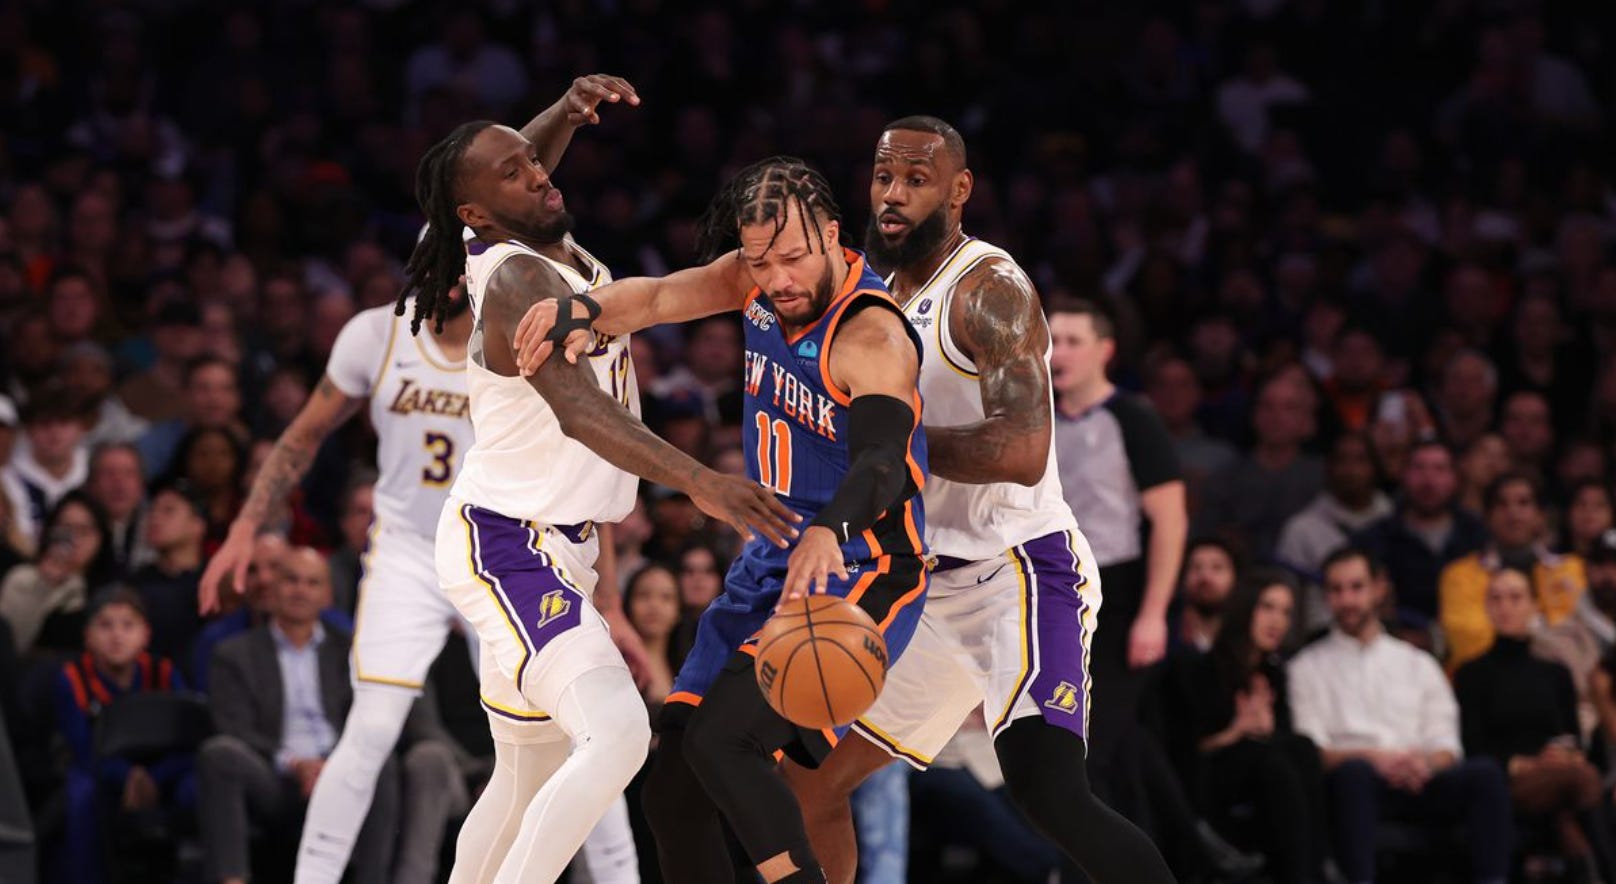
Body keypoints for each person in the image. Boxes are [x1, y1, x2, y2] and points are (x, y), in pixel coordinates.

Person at [196, 75, 665, 884]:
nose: (451, 272)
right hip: (425, 550)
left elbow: (509, 173)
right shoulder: (382, 334)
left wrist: (611, 596)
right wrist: (244, 528)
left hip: (525, 534)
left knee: (548, 747)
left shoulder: (519, 304)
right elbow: (302, 439)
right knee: (381, 726)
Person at [674, 117, 1168, 884]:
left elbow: (1024, 449)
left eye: (915, 179)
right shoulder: (860, 286)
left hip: (1017, 571)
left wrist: (887, 442)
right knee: (809, 781)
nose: (894, 195)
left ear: (959, 190)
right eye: (883, 178)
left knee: (1048, 790)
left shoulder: (989, 289)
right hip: (922, 582)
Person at [515, 151, 937, 884]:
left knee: (724, 743)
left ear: (832, 235)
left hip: (861, 565)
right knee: (672, 791)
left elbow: (881, 461)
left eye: (793, 259)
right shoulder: (754, 281)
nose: (777, 279)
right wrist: (579, 310)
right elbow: (654, 300)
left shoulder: (870, 332)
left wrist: (827, 529)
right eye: (760, 261)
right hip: (772, 559)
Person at [416, 119, 796, 883]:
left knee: (525, 774)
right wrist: (701, 481)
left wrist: (563, 111)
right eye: (515, 173)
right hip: (510, 545)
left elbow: (502, 170)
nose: (539, 173)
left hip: (558, 541)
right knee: (619, 735)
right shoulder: (517, 281)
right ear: (474, 214)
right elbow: (581, 412)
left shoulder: (543, 244)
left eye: (535, 159)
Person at [1287, 547, 1513, 884]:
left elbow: (1446, 742)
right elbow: (1312, 751)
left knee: (1485, 774)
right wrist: (1376, 759)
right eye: (1336, 590)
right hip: (1356, 782)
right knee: (1354, 775)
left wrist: (1425, 764)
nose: (1347, 600)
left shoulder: (1417, 663)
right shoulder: (1305, 667)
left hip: (1420, 778)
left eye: (1356, 587)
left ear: (1378, 589)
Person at [197, 548, 399, 884]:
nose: (300, 590)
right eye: (291, 580)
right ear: (273, 588)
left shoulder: (351, 653)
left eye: (312, 583)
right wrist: (294, 764)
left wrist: (329, 764)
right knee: (219, 754)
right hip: (273, 777)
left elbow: (366, 718)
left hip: (338, 772)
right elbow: (235, 728)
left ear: (327, 595)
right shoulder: (235, 654)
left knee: (382, 761)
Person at [1047, 298, 1186, 783]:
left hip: (1120, 594)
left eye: (1073, 341)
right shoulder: (1038, 419)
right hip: (1057, 589)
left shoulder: (1132, 418)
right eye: (1053, 341)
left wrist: (1153, 614)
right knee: (1115, 746)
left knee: (1095, 741)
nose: (1059, 352)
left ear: (1104, 350)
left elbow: (1171, 521)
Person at [1161, 571, 1327, 884]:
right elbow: (1184, 750)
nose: (1277, 620)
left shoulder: (1273, 674)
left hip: (1260, 775)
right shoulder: (1200, 668)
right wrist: (1237, 730)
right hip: (1207, 778)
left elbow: (1280, 739)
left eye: (1286, 612)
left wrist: (1266, 729)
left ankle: (1314, 869)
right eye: (1268, 607)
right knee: (1275, 763)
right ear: (1245, 608)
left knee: (1302, 748)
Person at [1454, 568, 1606, 884]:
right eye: (1496, 598)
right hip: (1504, 781)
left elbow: (1573, 738)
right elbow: (1472, 746)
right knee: (1586, 779)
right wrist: (1527, 764)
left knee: (1568, 808)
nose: (1505, 607)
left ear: (1534, 605)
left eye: (1515, 597)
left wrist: (1565, 756)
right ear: (1486, 607)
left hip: (1560, 776)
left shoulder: (1556, 673)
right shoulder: (1471, 674)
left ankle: (1586, 869)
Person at [52, 587, 194, 884]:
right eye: (105, 625)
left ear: (146, 634)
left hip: (161, 771)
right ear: (87, 636)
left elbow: (187, 740)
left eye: (128, 625)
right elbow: (83, 749)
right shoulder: (73, 678)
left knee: (195, 785)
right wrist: (128, 776)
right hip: (99, 770)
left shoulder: (163, 672)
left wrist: (152, 777)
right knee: (81, 794)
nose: (117, 636)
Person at [1440, 473, 1586, 672]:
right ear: (1487, 516)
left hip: (1559, 680)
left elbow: (1578, 640)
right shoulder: (1458, 575)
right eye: (1502, 504)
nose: (1513, 513)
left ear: (1540, 515)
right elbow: (1468, 643)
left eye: (1523, 503)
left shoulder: (1572, 569)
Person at [1276, 433, 1393, 633]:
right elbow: (1287, 598)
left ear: (1376, 466)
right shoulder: (1301, 529)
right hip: (1317, 636)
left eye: (1360, 460)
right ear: (1328, 467)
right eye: (1342, 460)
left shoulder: (1395, 522)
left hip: (1383, 636)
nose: (1350, 469)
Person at [0, 490, 116, 656]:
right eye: (66, 529)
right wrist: (43, 586)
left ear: (101, 537)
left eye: (84, 531)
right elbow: (13, 644)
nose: (74, 539)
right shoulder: (22, 580)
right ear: (49, 531)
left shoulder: (113, 588)